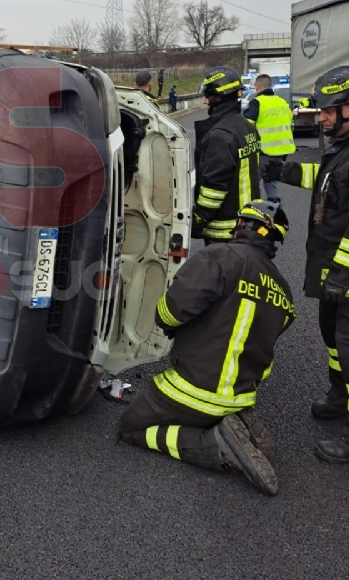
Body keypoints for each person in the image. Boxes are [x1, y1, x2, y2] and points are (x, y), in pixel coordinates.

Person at [119, 200, 294, 495]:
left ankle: (215, 444)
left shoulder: (219, 257)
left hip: (192, 391)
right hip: (240, 396)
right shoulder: (284, 293)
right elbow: (265, 364)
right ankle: (234, 422)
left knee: (130, 427)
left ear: (241, 225)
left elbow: (169, 313)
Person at [261, 65, 349, 462]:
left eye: (330, 111)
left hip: (344, 273)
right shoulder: (340, 148)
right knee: (333, 339)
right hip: (332, 269)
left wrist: (342, 275)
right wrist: (286, 171)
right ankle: (340, 394)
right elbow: (328, 181)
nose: (323, 118)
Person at [193, 66, 260, 242]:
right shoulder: (247, 126)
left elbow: (214, 187)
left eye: (208, 96)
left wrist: (198, 218)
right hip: (248, 223)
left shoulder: (220, 135)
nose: (205, 102)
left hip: (225, 231)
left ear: (219, 97)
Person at [243, 74, 295, 201]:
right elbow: (290, 123)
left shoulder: (257, 102)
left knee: (251, 184)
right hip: (283, 151)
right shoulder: (282, 102)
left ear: (257, 88)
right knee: (270, 181)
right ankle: (275, 207)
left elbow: (246, 125)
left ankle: (252, 209)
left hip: (265, 151)